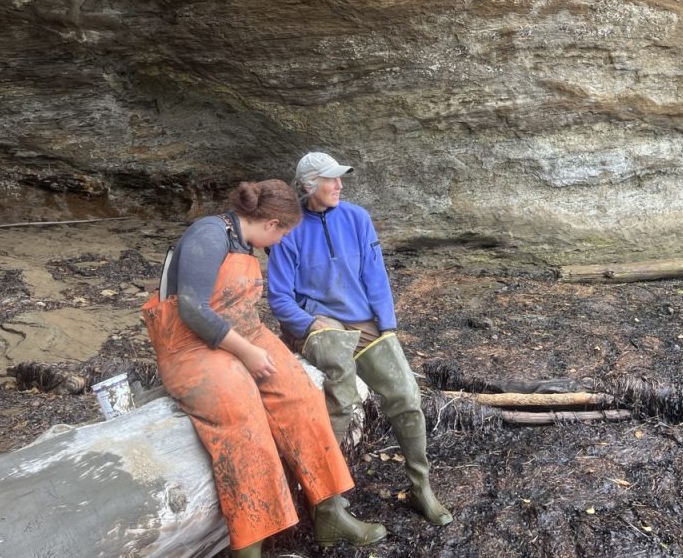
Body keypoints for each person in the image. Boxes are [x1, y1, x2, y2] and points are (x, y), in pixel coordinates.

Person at [142, 180, 386, 557]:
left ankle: (329, 513)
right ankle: (250, 547)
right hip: (189, 346)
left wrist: (250, 348)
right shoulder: (208, 235)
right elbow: (192, 310)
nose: (281, 241)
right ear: (271, 224)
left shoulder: (245, 242)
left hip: (243, 331)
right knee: (243, 418)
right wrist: (247, 354)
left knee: (302, 395)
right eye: (283, 233)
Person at [267, 153, 453, 527]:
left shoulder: (357, 218)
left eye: (340, 178)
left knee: (406, 394)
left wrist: (387, 326)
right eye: (330, 179)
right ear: (309, 185)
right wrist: (307, 324)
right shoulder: (288, 230)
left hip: (363, 320)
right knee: (342, 398)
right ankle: (327, 504)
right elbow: (279, 297)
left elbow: (375, 276)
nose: (339, 185)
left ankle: (421, 487)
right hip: (318, 324)